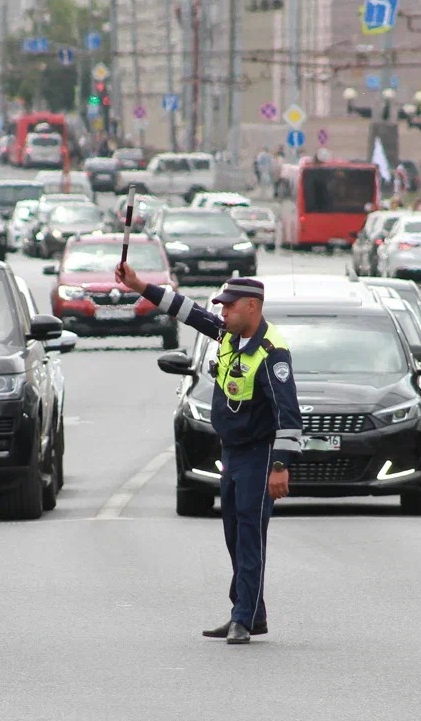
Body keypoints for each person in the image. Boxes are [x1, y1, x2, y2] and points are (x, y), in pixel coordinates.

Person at [113, 266, 302, 644]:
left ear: (252, 306)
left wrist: (280, 466)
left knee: (250, 536)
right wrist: (138, 286)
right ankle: (252, 612)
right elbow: (187, 310)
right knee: (234, 534)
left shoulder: (271, 353)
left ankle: (243, 618)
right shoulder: (229, 336)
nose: (223, 313)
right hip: (231, 452)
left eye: (230, 307)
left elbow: (289, 414)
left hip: (258, 454)